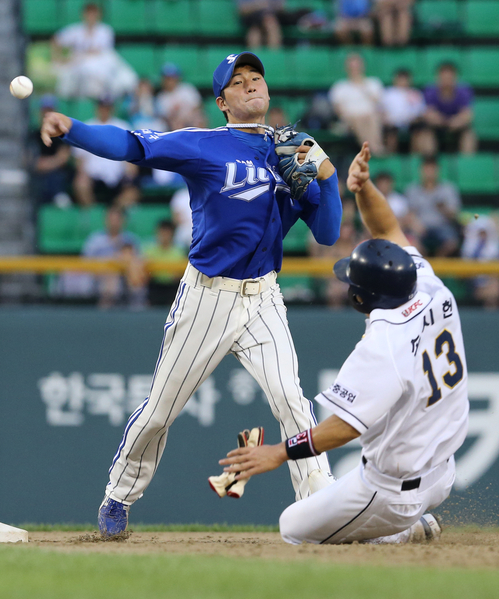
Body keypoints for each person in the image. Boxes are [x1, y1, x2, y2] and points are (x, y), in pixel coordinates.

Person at [41, 51, 343, 536]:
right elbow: (133, 146)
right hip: (209, 295)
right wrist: (71, 128)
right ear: (222, 102)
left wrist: (327, 179)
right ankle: (119, 495)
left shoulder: (290, 153)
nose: (251, 85)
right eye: (238, 82)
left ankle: (322, 506)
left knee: (292, 400)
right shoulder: (203, 145)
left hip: (264, 294)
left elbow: (327, 233)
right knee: (162, 408)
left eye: (256, 78)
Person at [220, 141, 469, 545]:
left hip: (393, 492)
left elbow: (343, 428)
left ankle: (400, 532)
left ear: (360, 298)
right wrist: (363, 188)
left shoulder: (384, 341)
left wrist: (279, 453)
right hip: (442, 468)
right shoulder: (427, 284)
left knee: (294, 528)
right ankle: (404, 523)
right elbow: (388, 230)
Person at [51, 2, 137, 99]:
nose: (91, 16)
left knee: (123, 75)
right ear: (84, 14)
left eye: (93, 13)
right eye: (89, 13)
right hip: (80, 66)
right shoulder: (75, 30)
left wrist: (78, 55)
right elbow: (56, 40)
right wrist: (59, 57)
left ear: (98, 15)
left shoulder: (105, 31)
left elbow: (100, 52)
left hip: (101, 65)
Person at [72, 98, 140, 208]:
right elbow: (79, 159)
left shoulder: (123, 126)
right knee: (81, 184)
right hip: (93, 176)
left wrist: (130, 173)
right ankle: (94, 214)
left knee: (133, 190)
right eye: (102, 107)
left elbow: (132, 156)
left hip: (119, 176)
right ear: (97, 108)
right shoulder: (87, 126)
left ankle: (114, 212)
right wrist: (82, 173)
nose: (104, 110)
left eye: (107, 107)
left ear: (112, 108)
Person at [328, 53, 384, 155]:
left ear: (362, 66)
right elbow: (338, 109)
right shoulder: (340, 86)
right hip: (349, 119)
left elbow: (378, 103)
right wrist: (348, 117)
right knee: (358, 119)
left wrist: (362, 86)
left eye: (357, 65)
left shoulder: (373, 83)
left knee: (372, 117)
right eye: (352, 66)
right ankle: (374, 149)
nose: (354, 69)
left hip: (370, 117)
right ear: (347, 68)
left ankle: (371, 148)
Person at [405, 156, 461, 257]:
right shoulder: (412, 189)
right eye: (427, 169)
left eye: (432, 169)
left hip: (442, 226)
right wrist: (414, 223)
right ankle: (425, 264)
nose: (429, 173)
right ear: (421, 170)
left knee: (451, 242)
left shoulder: (448, 189)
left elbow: (455, 215)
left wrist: (444, 208)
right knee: (411, 242)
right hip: (421, 227)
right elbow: (409, 214)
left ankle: (437, 264)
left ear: (438, 170)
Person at [420, 63, 476, 155]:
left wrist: (456, 122)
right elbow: (429, 114)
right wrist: (441, 121)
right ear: (438, 77)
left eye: (449, 78)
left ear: (455, 78)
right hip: (437, 126)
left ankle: (467, 164)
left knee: (469, 135)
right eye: (444, 78)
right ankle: (430, 162)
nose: (446, 81)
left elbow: (467, 114)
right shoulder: (430, 90)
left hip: (457, 126)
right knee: (426, 134)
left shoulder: (464, 91)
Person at [29, 95, 73, 208]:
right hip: (36, 175)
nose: (47, 114)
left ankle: (59, 197)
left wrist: (44, 164)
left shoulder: (62, 134)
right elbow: (27, 157)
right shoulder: (33, 134)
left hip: (56, 175)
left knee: (56, 177)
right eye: (45, 110)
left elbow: (63, 158)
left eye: (50, 111)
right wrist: (37, 164)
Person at [381, 69, 425, 154]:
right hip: (393, 123)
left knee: (419, 129)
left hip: (411, 122)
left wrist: (413, 119)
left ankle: (415, 157)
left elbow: (420, 112)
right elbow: (382, 111)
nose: (403, 81)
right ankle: (390, 156)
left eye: (405, 79)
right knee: (390, 132)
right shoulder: (388, 93)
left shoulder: (415, 93)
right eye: (400, 79)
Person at [144, 219, 187, 306]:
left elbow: (179, 275)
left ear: (172, 234)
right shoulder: (149, 250)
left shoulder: (178, 252)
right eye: (162, 232)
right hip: (154, 285)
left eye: (167, 233)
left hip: (173, 287)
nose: (164, 236)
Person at [155, 63, 205, 131]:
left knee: (199, 118)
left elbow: (198, 106)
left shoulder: (187, 89)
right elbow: (166, 118)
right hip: (174, 123)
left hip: (190, 117)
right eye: (167, 78)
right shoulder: (161, 97)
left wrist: (188, 116)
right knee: (176, 123)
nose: (170, 81)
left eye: (172, 78)